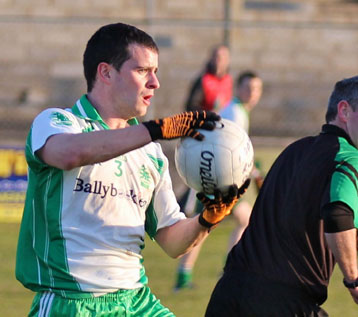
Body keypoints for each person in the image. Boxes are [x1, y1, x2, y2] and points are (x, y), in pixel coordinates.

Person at [15, 23, 249, 316]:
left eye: (156, 71)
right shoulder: (57, 122)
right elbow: (69, 154)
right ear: (106, 73)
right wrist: (156, 129)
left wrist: (208, 218)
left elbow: (172, 240)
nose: (155, 82)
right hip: (71, 303)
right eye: (142, 71)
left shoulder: (150, 152)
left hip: (136, 302)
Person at [205, 75, 358, 316]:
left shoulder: (294, 150)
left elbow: (299, 220)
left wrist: (351, 235)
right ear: (344, 111)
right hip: (284, 301)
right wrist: (355, 280)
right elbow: (338, 216)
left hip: (230, 292)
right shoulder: (354, 158)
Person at [174, 71, 264, 291]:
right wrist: (253, 172)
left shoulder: (236, 109)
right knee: (206, 226)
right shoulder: (235, 112)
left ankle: (203, 273)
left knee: (234, 221)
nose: (252, 93)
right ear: (239, 89)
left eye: (256, 89)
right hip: (219, 178)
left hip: (216, 176)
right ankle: (220, 272)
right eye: (248, 88)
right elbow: (230, 149)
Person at [185, 45, 233, 112]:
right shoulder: (204, 80)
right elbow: (191, 106)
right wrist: (209, 113)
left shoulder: (229, 80)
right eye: (217, 57)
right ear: (211, 58)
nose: (220, 60)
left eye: (224, 57)